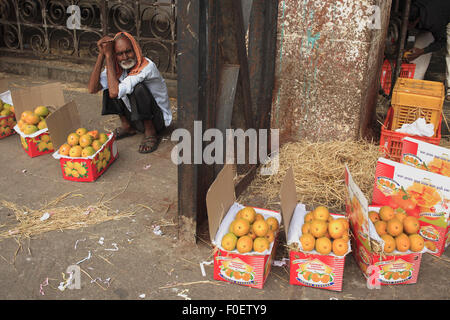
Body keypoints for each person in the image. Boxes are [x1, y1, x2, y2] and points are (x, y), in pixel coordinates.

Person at [88, 31, 172, 153]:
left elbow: (114, 93)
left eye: (128, 51)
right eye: (119, 54)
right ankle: (127, 126)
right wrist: (102, 54)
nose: (125, 57)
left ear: (136, 49)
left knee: (137, 88)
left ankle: (150, 133)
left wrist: (110, 57)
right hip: (136, 118)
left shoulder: (146, 67)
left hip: (157, 120)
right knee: (111, 81)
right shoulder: (117, 68)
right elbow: (92, 89)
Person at [404, 0, 450, 100]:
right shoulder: (412, 6)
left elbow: (441, 42)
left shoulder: (434, 22)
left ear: (416, 20)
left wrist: (423, 51)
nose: (408, 26)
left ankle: (449, 89)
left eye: (409, 24)